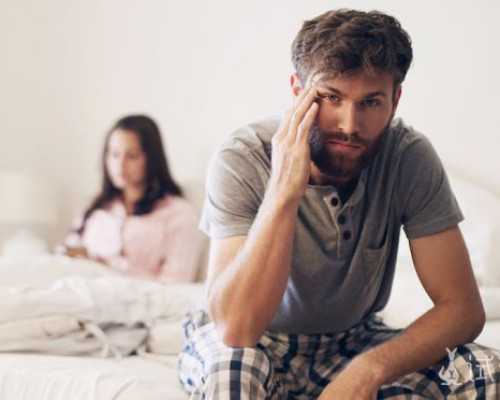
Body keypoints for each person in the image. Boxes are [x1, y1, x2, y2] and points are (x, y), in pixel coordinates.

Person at [178, 9, 500, 399]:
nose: (349, 125)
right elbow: (235, 328)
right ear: (297, 90)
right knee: (234, 371)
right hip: (255, 342)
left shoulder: (408, 156)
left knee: (485, 370)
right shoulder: (244, 156)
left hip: (353, 341)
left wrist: (369, 370)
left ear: (395, 100)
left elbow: (462, 309)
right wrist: (283, 191)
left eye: (371, 102)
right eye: (331, 97)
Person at [60, 114, 204, 283]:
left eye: (132, 156)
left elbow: (176, 283)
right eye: (114, 154)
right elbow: (67, 256)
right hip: (77, 287)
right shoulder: (96, 208)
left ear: (151, 159)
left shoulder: (179, 214)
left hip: (132, 295)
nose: (120, 165)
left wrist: (106, 266)